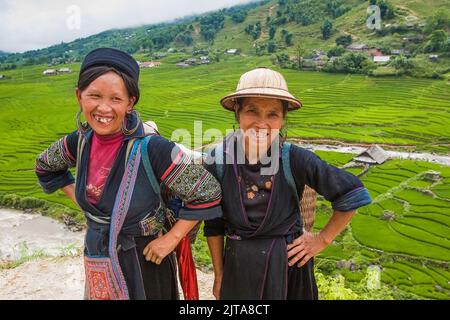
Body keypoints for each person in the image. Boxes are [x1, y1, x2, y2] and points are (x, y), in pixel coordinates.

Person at [35, 48, 222, 300]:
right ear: (79, 96)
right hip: (98, 254)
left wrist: (172, 238)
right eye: (94, 96)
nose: (104, 108)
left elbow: (207, 191)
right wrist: (83, 204)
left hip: (146, 260)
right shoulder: (77, 142)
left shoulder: (153, 148)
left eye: (116, 99)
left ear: (130, 102)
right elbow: (45, 165)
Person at [204, 67, 372, 300]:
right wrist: (220, 275)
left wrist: (322, 240)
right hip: (238, 266)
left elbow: (351, 193)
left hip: (288, 266)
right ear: (237, 111)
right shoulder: (217, 161)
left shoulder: (295, 159)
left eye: (272, 114)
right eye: (252, 110)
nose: (262, 123)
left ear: (282, 119)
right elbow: (214, 225)